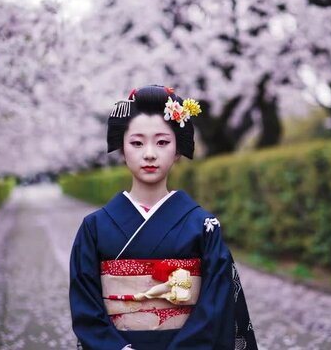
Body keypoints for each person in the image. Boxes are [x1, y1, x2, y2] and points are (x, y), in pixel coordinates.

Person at [69, 85, 257, 349]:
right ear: (122, 149)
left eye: (162, 142)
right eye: (136, 142)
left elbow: (217, 301)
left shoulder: (202, 225)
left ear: (178, 150)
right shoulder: (94, 228)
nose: (149, 153)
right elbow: (85, 304)